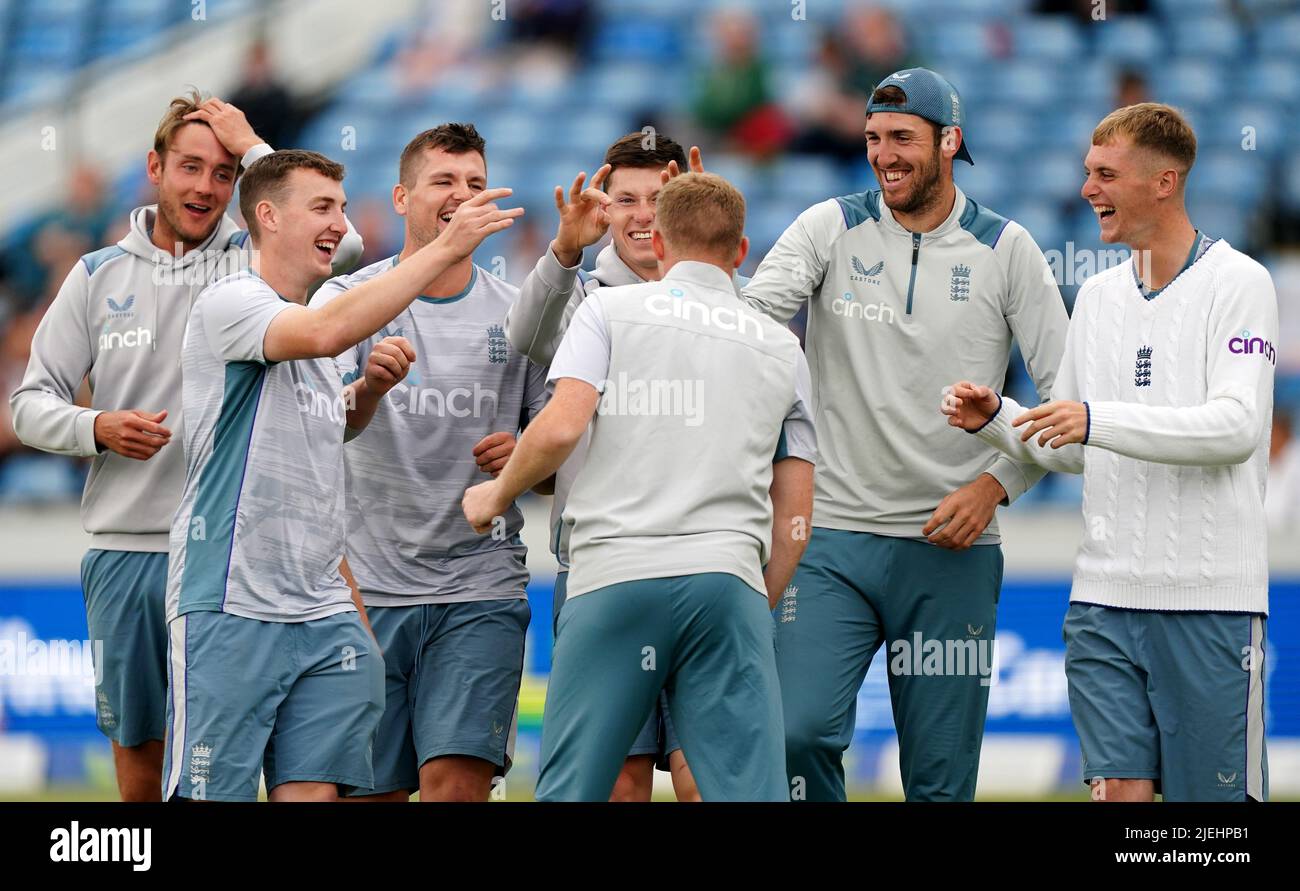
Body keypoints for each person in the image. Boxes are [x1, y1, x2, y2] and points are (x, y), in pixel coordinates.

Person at [8, 91, 361, 801]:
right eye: (190, 167)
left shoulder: (253, 261)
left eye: (224, 172)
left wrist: (254, 141)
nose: (205, 187)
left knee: (251, 769)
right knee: (142, 762)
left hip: (237, 562)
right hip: (131, 554)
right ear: (155, 168)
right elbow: (26, 404)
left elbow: (345, 245)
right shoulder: (97, 274)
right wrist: (95, 427)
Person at [742, 68, 1069, 801]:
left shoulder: (1009, 249)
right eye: (872, 138)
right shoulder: (828, 225)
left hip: (951, 550)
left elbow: (1067, 407)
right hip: (830, 540)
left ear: (949, 141)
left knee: (941, 779)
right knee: (794, 733)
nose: (883, 154)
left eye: (902, 138)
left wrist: (996, 485)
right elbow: (749, 326)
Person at [162, 150, 520, 802]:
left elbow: (330, 429)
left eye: (344, 209)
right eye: (322, 208)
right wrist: (445, 248)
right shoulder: (235, 301)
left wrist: (370, 393)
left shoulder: (324, 316)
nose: (341, 225)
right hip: (231, 597)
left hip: (324, 609)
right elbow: (325, 332)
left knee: (320, 794)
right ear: (267, 217)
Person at [942, 103, 1274, 802]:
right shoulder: (1094, 295)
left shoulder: (1240, 283)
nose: (1086, 189)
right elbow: (1071, 445)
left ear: (1165, 182)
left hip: (1209, 605)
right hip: (1101, 599)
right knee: (1120, 790)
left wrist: (1095, 419)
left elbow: (1235, 428)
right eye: (1086, 172)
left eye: (1104, 174)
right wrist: (999, 416)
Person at [464, 172, 817, 801]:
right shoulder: (781, 346)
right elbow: (796, 509)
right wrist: (754, 599)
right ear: (740, 252)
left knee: (575, 789)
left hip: (614, 576)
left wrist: (494, 496)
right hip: (727, 578)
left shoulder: (608, 309)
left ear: (659, 241)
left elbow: (561, 424)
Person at [315, 123, 546, 802]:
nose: (462, 196)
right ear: (399, 197)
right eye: (444, 181)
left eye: (476, 182)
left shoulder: (521, 313)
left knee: (453, 784)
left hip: (479, 587)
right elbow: (324, 428)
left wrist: (522, 461)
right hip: (364, 590)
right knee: (372, 792)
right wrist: (369, 389)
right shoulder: (345, 301)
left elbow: (557, 452)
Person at [504, 131, 706, 801]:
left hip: (703, 562)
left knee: (702, 770)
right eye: (626, 198)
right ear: (605, 206)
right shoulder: (580, 295)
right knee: (617, 776)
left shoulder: (721, 297)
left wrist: (708, 233)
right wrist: (564, 249)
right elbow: (523, 339)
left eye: (660, 197)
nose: (643, 213)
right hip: (598, 564)